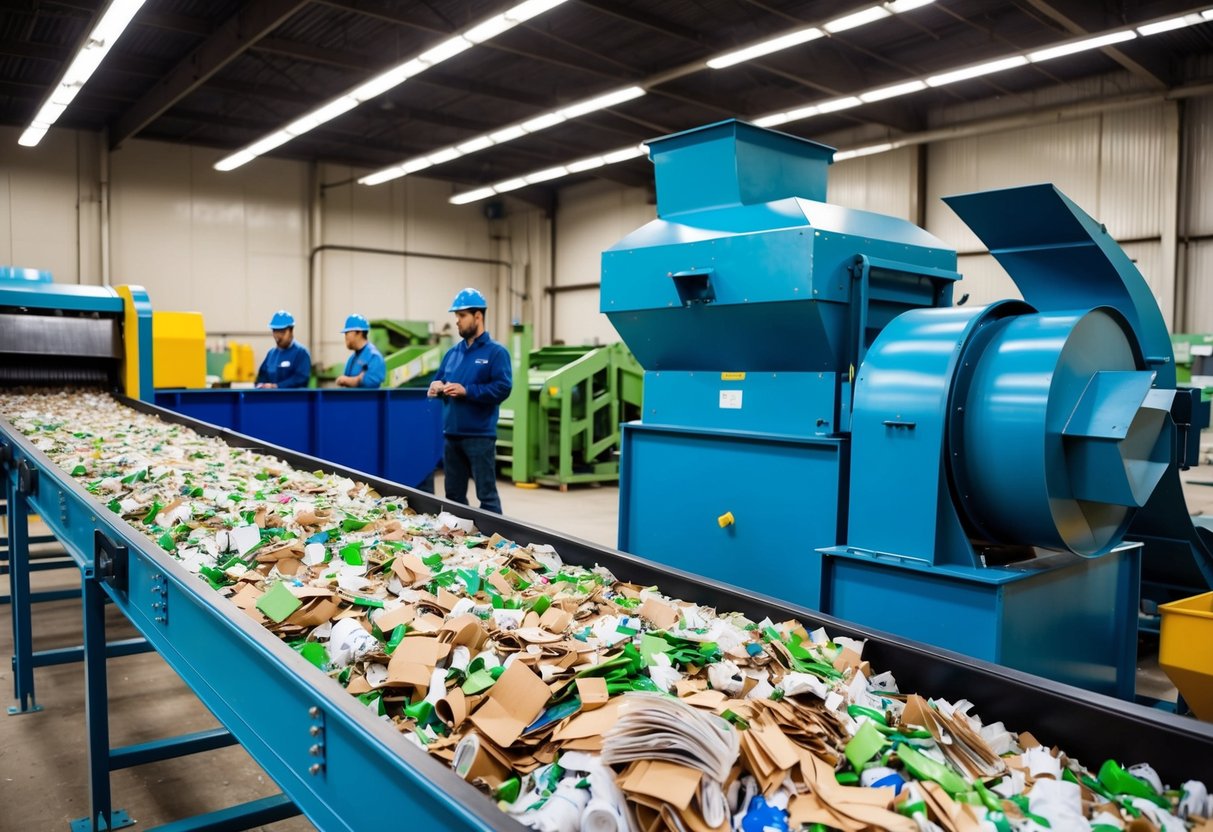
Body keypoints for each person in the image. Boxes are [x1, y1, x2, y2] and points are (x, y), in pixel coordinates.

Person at [428, 288, 512, 513]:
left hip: (479, 437)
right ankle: (459, 543)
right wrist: (435, 387)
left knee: (486, 496)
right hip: (451, 436)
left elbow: (503, 388)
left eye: (462, 315)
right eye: (456, 316)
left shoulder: (496, 353)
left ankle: (496, 545)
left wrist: (468, 391)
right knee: (453, 496)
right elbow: (438, 380)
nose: (457, 321)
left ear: (478, 316)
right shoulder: (453, 353)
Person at [255, 309, 311, 388]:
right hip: (272, 399)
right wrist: (261, 385)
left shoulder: (301, 353)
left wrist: (277, 386)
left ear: (291, 331)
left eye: (282, 332)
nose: (278, 336)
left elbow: (301, 378)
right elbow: (262, 376)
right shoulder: (271, 354)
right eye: (275, 331)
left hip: (294, 399)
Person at [336, 314, 386, 388]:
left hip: (368, 399)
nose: (345, 337)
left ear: (359, 333)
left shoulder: (374, 357)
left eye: (347, 333)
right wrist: (357, 379)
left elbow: (371, 383)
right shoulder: (352, 359)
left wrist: (349, 380)